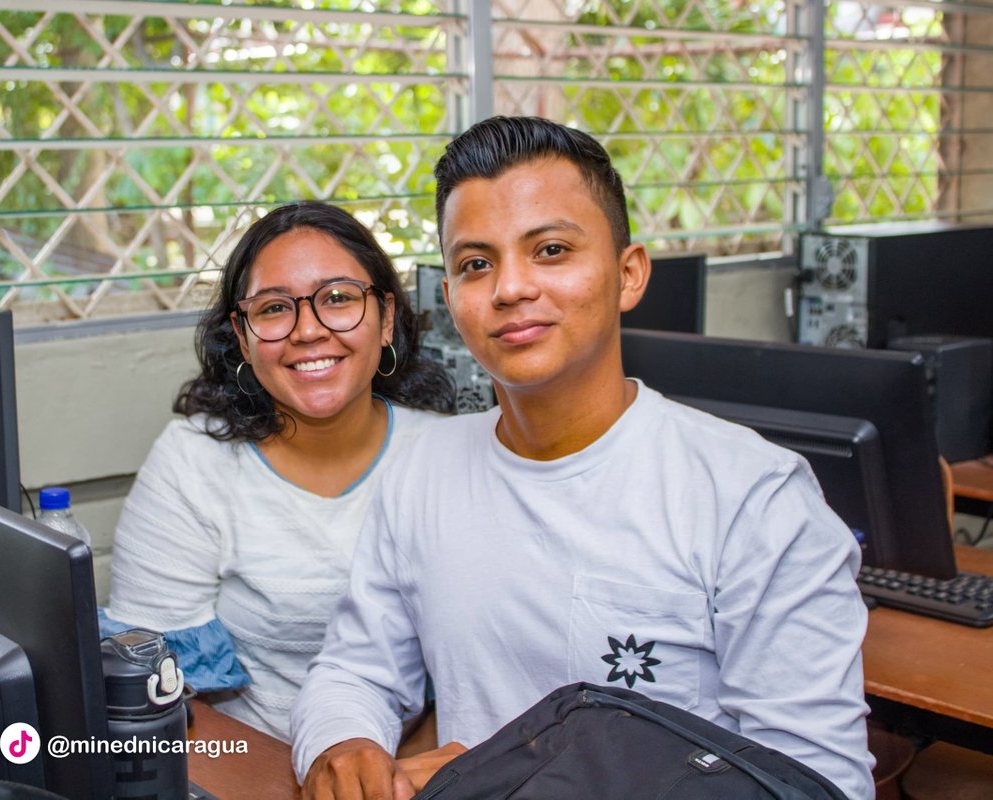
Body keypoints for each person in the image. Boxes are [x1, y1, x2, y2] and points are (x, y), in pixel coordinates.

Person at [291, 117, 876, 799]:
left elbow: (815, 786)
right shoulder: (424, 468)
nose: (509, 288)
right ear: (449, 297)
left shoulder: (753, 497)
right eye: (475, 264)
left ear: (628, 275)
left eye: (551, 250)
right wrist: (342, 739)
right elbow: (356, 668)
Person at [102, 201, 455, 741]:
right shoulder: (192, 463)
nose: (308, 330)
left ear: (386, 318)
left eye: (337, 299)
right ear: (242, 338)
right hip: (254, 770)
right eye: (273, 309)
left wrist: (404, 778)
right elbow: (155, 697)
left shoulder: (445, 452)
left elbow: (475, 676)